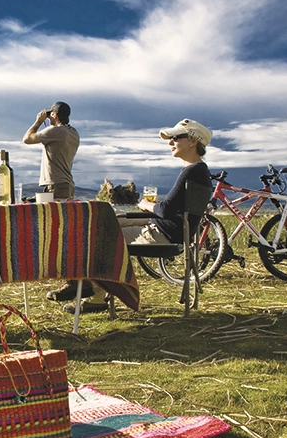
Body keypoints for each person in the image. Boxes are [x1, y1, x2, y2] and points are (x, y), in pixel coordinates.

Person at [48, 118, 213, 313]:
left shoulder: (192, 171)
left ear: (193, 141)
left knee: (97, 237)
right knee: (103, 222)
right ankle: (84, 284)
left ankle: (93, 291)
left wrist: (146, 204)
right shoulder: (200, 171)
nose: (170, 142)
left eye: (176, 138)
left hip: (161, 234)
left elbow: (166, 209)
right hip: (168, 230)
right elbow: (173, 210)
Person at [22, 101, 80, 200]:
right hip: (67, 184)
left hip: (56, 185)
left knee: (53, 214)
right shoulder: (73, 133)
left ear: (55, 114)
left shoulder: (56, 132)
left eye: (50, 115)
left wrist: (39, 121)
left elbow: (27, 139)